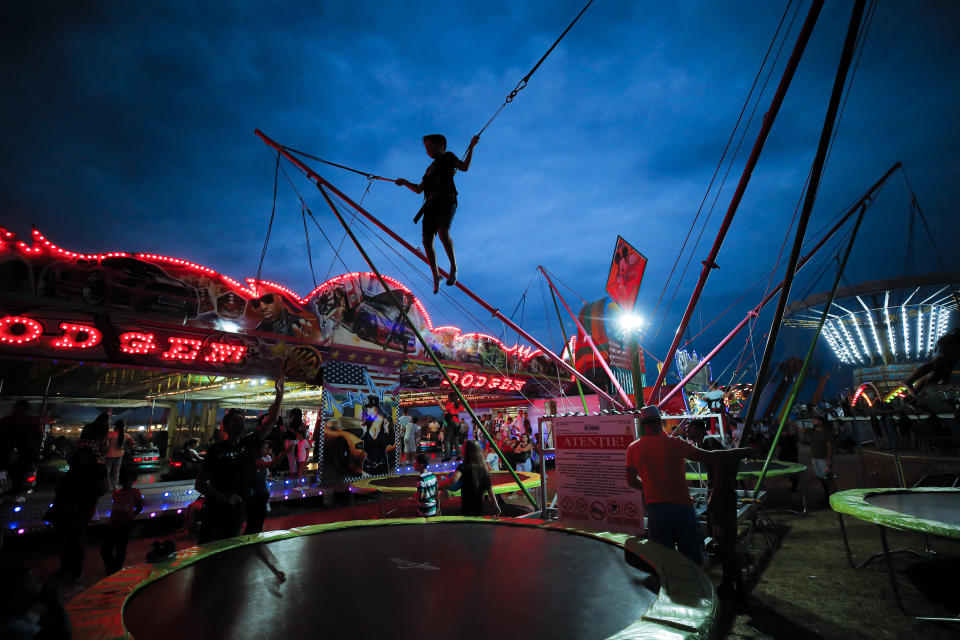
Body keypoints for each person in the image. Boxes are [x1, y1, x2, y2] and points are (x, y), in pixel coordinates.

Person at [625, 405, 750, 566]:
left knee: (664, 557)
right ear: (660, 422)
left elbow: (630, 480)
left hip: (656, 509)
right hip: (682, 507)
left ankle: (671, 588)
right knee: (690, 555)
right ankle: (694, 588)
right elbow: (711, 456)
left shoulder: (633, 448)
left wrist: (650, 488)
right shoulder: (675, 444)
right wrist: (743, 451)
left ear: (643, 424)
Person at [196, 376, 284, 543]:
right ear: (226, 426)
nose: (241, 423)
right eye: (236, 420)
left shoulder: (249, 444)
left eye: (242, 421)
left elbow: (271, 420)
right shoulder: (216, 450)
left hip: (237, 509)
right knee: (208, 551)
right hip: (215, 510)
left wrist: (280, 393)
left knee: (230, 550)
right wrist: (222, 497)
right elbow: (199, 484)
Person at [395, 133, 480, 293]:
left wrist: (472, 147)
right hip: (430, 205)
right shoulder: (430, 168)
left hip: (446, 199)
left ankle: (453, 268)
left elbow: (464, 167)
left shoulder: (448, 157)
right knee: (427, 241)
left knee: (442, 232)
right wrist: (405, 182)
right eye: (426, 148)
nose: (428, 150)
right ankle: (436, 276)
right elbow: (420, 189)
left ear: (441, 145)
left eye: (431, 146)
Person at [685, 420, 744, 602]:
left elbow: (719, 467)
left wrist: (714, 495)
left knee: (726, 541)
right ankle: (731, 582)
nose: (687, 430)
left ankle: (736, 586)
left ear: (700, 429)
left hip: (722, 497)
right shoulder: (702, 443)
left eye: (691, 428)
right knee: (722, 540)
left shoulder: (709, 441)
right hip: (720, 495)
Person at [51, 447, 109, 581]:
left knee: (74, 538)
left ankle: (75, 569)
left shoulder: (94, 470)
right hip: (69, 506)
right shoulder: (82, 470)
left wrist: (80, 498)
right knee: (68, 538)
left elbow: (102, 489)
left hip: (79, 508)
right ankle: (68, 568)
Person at [0, 567, 71, 640]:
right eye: (33, 580)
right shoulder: (15, 625)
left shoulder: (18, 613)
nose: (40, 581)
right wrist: (54, 598)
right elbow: (64, 635)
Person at [100, 468, 144, 575]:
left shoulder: (136, 492)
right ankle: (111, 568)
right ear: (121, 481)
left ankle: (115, 569)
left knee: (120, 547)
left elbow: (139, 507)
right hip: (113, 523)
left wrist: (130, 516)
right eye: (124, 480)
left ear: (133, 481)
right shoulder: (116, 493)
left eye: (129, 480)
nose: (126, 482)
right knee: (106, 549)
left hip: (125, 524)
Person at [441, 440, 502, 517]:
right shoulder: (483, 468)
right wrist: (495, 504)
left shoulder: (463, 466)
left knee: (468, 520)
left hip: (467, 506)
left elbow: (453, 480)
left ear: (466, 452)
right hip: (479, 505)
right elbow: (489, 489)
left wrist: (440, 485)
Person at [0, 400, 44, 503]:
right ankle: (16, 495)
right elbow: (39, 437)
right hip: (25, 453)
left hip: (6, 451)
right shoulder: (33, 421)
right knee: (19, 475)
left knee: (4, 472)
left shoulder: (6, 420)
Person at [902, 327, 960, 398]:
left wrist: (945, 379)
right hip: (952, 341)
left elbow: (951, 365)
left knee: (937, 373)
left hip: (951, 342)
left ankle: (911, 396)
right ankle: (909, 380)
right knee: (938, 363)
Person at [246, 440, 275, 535]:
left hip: (262, 493)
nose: (267, 450)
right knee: (255, 522)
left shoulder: (262, 459)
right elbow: (271, 464)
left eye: (268, 448)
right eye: (265, 448)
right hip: (257, 494)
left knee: (257, 522)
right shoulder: (256, 461)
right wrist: (285, 453)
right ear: (258, 450)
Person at [360, 396, 395, 476]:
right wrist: (365, 432)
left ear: (377, 407)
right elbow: (367, 449)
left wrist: (387, 431)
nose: (369, 412)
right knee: (365, 488)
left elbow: (391, 442)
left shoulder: (387, 421)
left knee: (381, 488)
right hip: (367, 468)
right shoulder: (368, 423)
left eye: (371, 408)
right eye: (367, 409)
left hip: (382, 468)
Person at [810, 414, 835, 503]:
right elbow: (802, 430)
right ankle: (826, 495)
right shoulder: (813, 431)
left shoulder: (826, 432)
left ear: (820, 422)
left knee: (827, 478)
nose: (813, 421)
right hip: (815, 458)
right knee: (820, 477)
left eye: (815, 420)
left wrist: (828, 458)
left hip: (823, 459)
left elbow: (829, 446)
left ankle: (831, 497)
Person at [104, 420, 135, 490]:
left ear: (116, 426)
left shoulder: (111, 434)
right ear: (123, 427)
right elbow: (132, 443)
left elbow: (103, 441)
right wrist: (125, 448)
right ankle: (115, 486)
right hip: (119, 455)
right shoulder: (125, 435)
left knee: (107, 471)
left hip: (109, 454)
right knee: (116, 471)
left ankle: (106, 486)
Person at [777, 419, 800, 492]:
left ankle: (795, 485)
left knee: (791, 473)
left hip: (787, 457)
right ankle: (796, 484)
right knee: (793, 472)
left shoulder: (782, 438)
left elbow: (779, 448)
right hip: (792, 457)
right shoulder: (792, 437)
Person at [442, 393, 462, 461]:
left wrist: (437, 401)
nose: (447, 398)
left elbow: (443, 408)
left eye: (448, 397)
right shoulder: (457, 405)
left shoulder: (450, 405)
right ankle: (459, 455)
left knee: (446, 440)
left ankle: (447, 457)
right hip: (458, 423)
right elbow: (464, 409)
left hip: (452, 423)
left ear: (450, 398)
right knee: (455, 440)